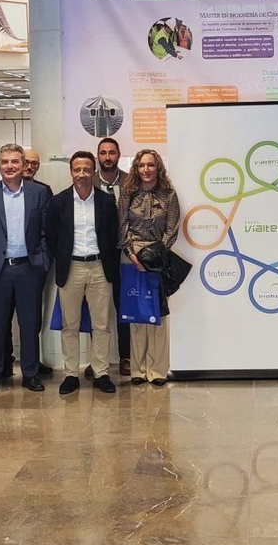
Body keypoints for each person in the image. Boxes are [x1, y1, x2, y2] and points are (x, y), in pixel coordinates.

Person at [0, 144, 50, 396]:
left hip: (29, 269)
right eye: (4, 162)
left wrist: (42, 262)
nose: (9, 166)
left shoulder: (38, 193)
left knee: (29, 325)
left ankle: (30, 373)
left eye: (15, 162)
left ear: (23, 163)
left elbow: (46, 232)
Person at [47, 150, 120, 394]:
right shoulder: (58, 202)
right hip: (71, 268)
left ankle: (101, 372)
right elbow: (52, 238)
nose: (81, 174)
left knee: (101, 325)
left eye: (86, 169)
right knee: (70, 325)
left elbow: (113, 235)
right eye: (77, 169)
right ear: (71, 172)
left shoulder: (106, 201)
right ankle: (70, 374)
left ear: (94, 171)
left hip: (100, 267)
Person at [120, 148, 180, 386]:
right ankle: (138, 369)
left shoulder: (169, 194)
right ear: (136, 168)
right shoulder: (127, 193)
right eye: (142, 165)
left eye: (151, 165)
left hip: (157, 258)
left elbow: (172, 228)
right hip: (130, 257)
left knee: (158, 315)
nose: (146, 170)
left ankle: (157, 370)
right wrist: (132, 255)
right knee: (137, 315)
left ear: (158, 168)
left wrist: (155, 256)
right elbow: (121, 226)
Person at [95, 137, 130, 377]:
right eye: (103, 153)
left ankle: (126, 356)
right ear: (97, 156)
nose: (107, 157)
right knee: (97, 311)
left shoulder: (131, 182)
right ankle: (98, 361)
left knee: (123, 306)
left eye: (112, 152)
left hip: (127, 255)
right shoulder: (89, 180)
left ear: (118, 155)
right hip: (97, 254)